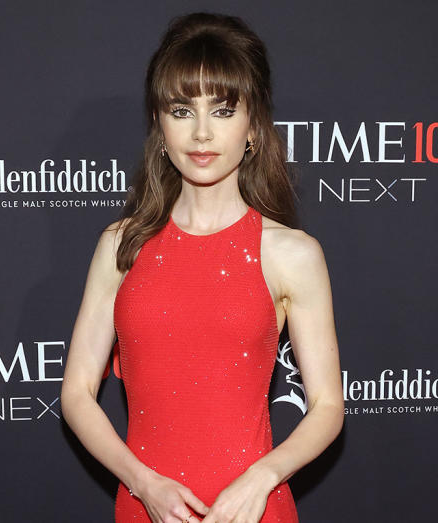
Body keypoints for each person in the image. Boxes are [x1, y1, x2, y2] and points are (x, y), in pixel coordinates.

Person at [60, 13, 343, 523]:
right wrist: (142, 482)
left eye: (224, 109)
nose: (203, 132)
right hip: (145, 506)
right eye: (182, 109)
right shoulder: (120, 246)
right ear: (160, 124)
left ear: (253, 125)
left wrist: (261, 478)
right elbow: (77, 393)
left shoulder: (291, 253)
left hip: (253, 511)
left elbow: (326, 406)